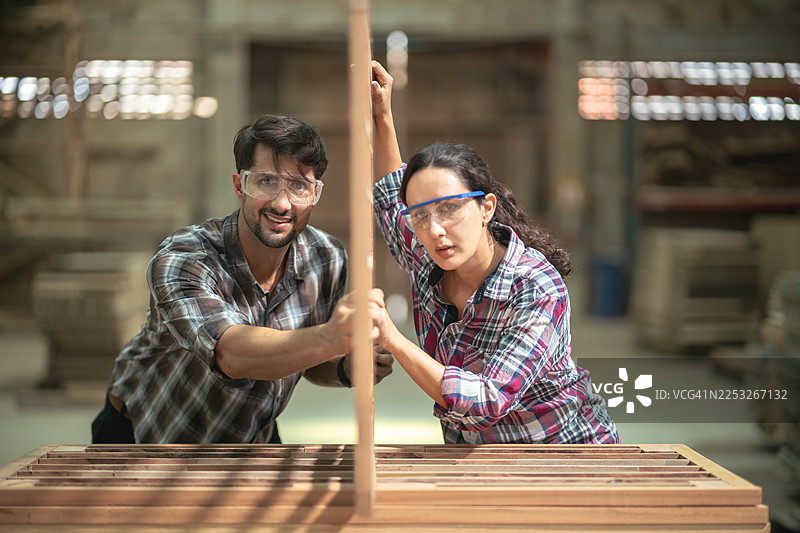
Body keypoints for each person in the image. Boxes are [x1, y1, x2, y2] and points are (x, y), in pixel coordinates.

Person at [92, 113, 392, 444]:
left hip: (250, 432)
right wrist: (331, 338)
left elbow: (305, 353)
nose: (282, 203)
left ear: (315, 193)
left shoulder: (327, 258)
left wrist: (344, 366)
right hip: (150, 433)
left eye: (299, 186)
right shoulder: (185, 258)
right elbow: (231, 355)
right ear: (240, 186)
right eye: (266, 182)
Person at [369, 61, 618, 444]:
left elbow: (486, 401)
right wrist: (382, 114)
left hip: (562, 453)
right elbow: (391, 195)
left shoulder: (536, 287)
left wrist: (393, 338)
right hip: (478, 456)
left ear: (485, 207)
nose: (435, 229)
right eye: (420, 215)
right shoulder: (428, 259)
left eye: (450, 208)